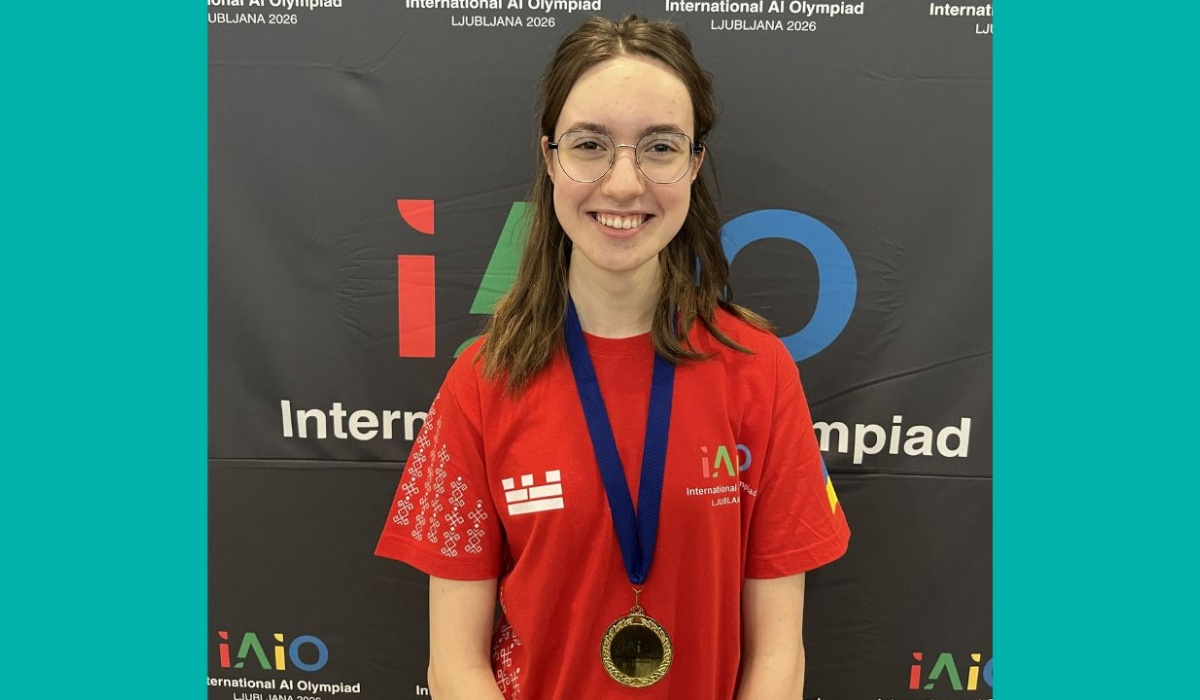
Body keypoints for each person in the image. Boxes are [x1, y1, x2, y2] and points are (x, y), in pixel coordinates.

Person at [376, 15, 850, 699]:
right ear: (550, 158)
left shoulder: (759, 369)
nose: (624, 184)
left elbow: (778, 657)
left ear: (694, 164)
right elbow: (454, 666)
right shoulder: (481, 381)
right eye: (591, 144)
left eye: (659, 146)